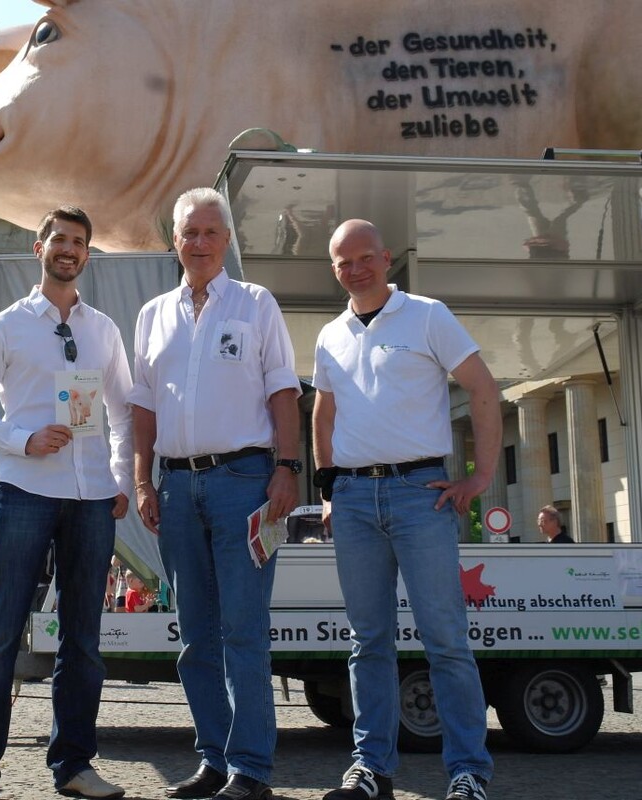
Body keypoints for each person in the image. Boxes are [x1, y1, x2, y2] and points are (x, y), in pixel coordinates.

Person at [313, 219, 499, 800]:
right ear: (334, 268)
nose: (356, 269)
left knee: (445, 640)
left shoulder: (427, 314)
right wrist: (327, 489)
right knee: (368, 641)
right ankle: (371, 769)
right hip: (353, 502)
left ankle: (468, 772)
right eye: (344, 262)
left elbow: (484, 389)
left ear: (387, 258)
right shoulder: (331, 335)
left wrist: (482, 476)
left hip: (422, 496)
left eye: (365, 257)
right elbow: (322, 412)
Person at [0, 206, 132, 800]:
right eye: (60, 238)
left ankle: (75, 765)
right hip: (25, 489)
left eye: (80, 242)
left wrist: (123, 479)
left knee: (83, 639)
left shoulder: (103, 329)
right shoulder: (4, 326)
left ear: (87, 254)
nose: (69, 249)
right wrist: (22, 439)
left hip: (90, 497)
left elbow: (124, 412)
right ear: (39, 247)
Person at [131, 187, 300, 800]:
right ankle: (214, 759)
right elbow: (143, 408)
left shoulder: (256, 304)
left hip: (244, 484)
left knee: (244, 631)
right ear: (173, 241)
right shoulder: (153, 315)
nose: (198, 243)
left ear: (226, 240)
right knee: (195, 634)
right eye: (187, 233)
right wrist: (143, 480)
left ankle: (251, 769)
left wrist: (288, 468)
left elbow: (284, 390)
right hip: (176, 488)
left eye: (209, 232)